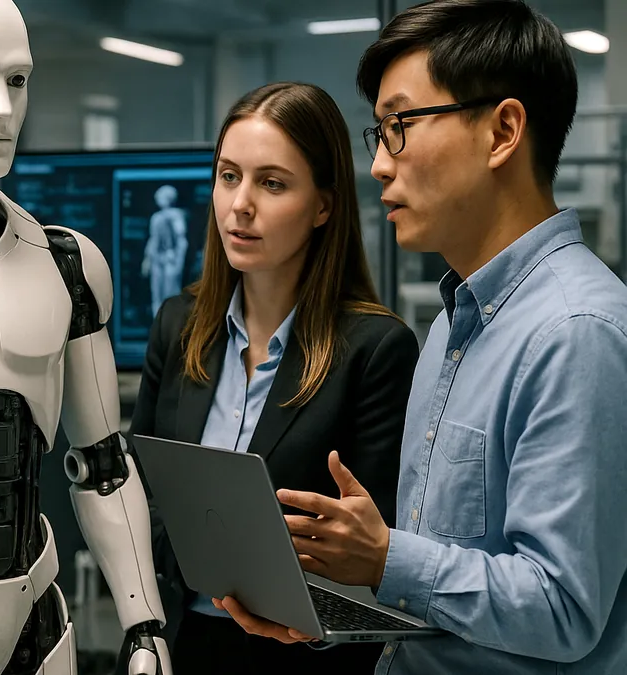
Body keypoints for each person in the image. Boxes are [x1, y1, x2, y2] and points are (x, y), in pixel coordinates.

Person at [217, 2, 627, 674]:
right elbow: (442, 588)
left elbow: (563, 608)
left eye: (399, 128)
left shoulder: (578, 334)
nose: (379, 165)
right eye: (377, 134)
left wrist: (384, 557)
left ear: (502, 131)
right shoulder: (452, 326)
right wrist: (325, 603)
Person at [125, 81, 419, 674]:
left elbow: (376, 546)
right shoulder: (178, 325)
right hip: (177, 644)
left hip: (298, 656)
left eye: (272, 183)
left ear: (323, 206)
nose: (241, 205)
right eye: (229, 176)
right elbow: (141, 490)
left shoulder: (375, 350)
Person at [142, 184, 188, 316]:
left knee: (171, 293)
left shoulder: (176, 216)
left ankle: (170, 324)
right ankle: (158, 323)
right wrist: (147, 259)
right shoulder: (156, 217)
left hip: (170, 259)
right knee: (156, 292)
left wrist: (179, 261)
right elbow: (153, 239)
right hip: (157, 259)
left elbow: (181, 239)